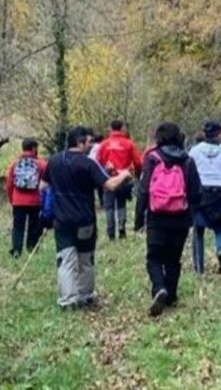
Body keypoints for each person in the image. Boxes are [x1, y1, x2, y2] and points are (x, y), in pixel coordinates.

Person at [42, 126, 132, 309]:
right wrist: (124, 175)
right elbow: (110, 185)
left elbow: (42, 186)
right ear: (80, 142)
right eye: (89, 142)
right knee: (85, 258)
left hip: (62, 220)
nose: (91, 146)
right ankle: (86, 295)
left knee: (65, 259)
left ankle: (68, 300)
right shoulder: (88, 164)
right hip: (85, 219)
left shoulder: (54, 161)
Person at [135, 122, 202, 316]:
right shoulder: (187, 160)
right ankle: (171, 295)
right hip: (180, 217)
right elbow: (196, 193)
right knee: (174, 258)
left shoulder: (153, 159)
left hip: (157, 217)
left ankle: (159, 287)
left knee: (154, 257)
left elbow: (143, 189)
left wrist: (139, 218)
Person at [189, 121, 221, 274]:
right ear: (219, 134)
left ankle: (199, 267)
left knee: (198, 230)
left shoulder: (194, 151)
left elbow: (190, 174)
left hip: (201, 195)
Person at [97, 120, 143, 240]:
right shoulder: (128, 144)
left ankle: (111, 232)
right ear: (122, 128)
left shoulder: (104, 144)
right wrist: (138, 175)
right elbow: (138, 162)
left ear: (110, 128)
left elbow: (98, 161)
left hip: (108, 177)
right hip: (124, 177)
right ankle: (122, 228)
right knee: (121, 203)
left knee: (109, 206)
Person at [5, 138, 47, 258]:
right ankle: (32, 249)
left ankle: (16, 250)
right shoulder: (41, 164)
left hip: (18, 201)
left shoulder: (14, 163)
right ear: (34, 148)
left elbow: (9, 183)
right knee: (34, 226)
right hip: (35, 201)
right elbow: (47, 183)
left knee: (18, 227)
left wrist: (11, 198)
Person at [89, 134, 105, 209]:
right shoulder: (101, 147)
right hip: (99, 168)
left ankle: (93, 202)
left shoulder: (92, 147)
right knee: (101, 188)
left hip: (90, 167)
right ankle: (102, 202)